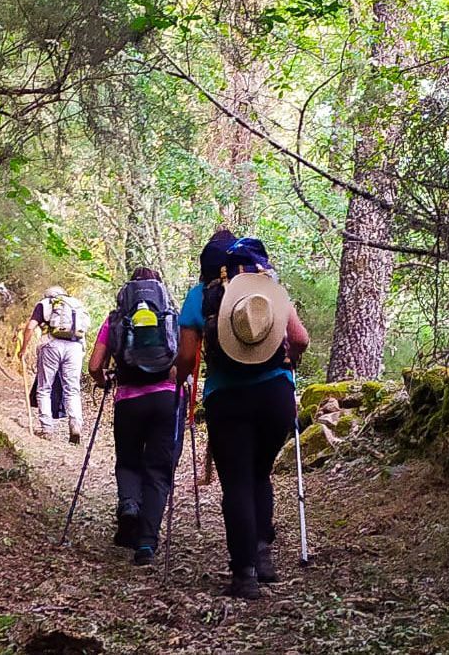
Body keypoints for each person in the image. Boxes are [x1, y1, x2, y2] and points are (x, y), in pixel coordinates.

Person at [176, 230, 310, 600]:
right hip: (275, 396)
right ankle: (263, 555)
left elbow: (187, 358)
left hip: (227, 399)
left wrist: (179, 380)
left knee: (236, 483)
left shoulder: (199, 296)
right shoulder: (269, 288)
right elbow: (299, 339)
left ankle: (245, 574)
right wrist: (288, 361)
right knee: (259, 475)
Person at [88, 267, 180, 565]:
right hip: (165, 400)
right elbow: (183, 360)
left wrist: (106, 382)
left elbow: (94, 366)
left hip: (128, 399)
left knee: (128, 460)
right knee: (158, 470)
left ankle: (129, 505)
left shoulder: (116, 319)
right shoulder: (170, 316)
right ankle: (146, 544)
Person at [21, 284, 89, 442]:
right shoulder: (76, 304)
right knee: (72, 389)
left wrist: (23, 348)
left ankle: (47, 429)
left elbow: (30, 327)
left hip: (52, 345)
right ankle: (75, 425)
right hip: (75, 347)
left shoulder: (45, 304)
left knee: (44, 388)